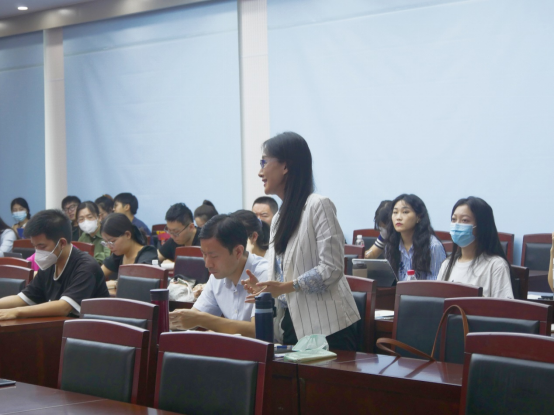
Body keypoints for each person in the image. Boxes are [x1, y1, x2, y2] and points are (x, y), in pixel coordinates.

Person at [243, 132, 360, 350]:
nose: (260, 172)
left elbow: (332, 269)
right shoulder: (278, 218)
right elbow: (283, 274)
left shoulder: (318, 205)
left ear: (285, 166)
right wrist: (264, 288)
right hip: (291, 325)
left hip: (327, 328)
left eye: (264, 162)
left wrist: (287, 287)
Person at [0, 210, 109, 320]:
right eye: (35, 246)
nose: (37, 252)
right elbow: (23, 298)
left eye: (42, 246)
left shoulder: (86, 267)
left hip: (91, 328)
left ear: (62, 243)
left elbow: (64, 307)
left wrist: (15, 312)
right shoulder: (50, 263)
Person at [169, 215, 269, 336]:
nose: (207, 264)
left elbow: (258, 331)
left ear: (238, 252)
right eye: (204, 254)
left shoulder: (263, 274)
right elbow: (194, 316)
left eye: (214, 256)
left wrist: (202, 319)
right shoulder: (217, 276)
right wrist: (172, 321)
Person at [437, 197, 514, 298]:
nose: (457, 225)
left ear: (482, 226)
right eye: (454, 219)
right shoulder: (447, 264)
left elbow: (504, 306)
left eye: (465, 220)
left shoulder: (496, 265)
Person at [384, 194, 446, 281]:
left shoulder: (433, 246)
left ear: (418, 217)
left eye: (405, 212)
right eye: (395, 212)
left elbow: (437, 284)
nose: (398, 217)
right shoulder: (391, 245)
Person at [100, 213, 158, 289]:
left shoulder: (148, 255)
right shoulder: (119, 254)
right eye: (106, 242)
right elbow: (97, 275)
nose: (109, 246)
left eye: (112, 241)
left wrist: (116, 283)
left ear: (127, 235)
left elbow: (138, 284)